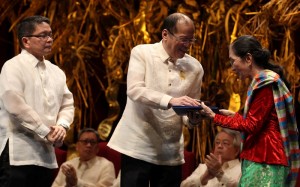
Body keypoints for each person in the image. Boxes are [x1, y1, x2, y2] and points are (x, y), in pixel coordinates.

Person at [108, 12, 204, 187]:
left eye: (191, 40)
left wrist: (193, 118)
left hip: (170, 151)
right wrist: (170, 100)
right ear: (165, 34)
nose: (187, 46)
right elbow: (135, 90)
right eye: (183, 39)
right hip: (138, 145)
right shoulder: (142, 53)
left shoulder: (195, 67)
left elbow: (189, 108)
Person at [199, 35, 299, 186]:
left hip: (266, 158)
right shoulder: (261, 82)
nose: (232, 67)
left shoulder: (265, 84)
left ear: (248, 59)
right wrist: (235, 117)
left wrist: (214, 117)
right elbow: (257, 120)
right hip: (261, 156)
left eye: (233, 61)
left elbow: (251, 125)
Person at [0, 15, 75, 187]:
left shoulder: (57, 72)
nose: (49, 39)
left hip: (46, 155)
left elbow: (67, 103)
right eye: (43, 35)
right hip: (18, 154)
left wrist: (62, 126)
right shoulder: (13, 66)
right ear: (26, 41)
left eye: (50, 34)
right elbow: (15, 105)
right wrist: (45, 131)